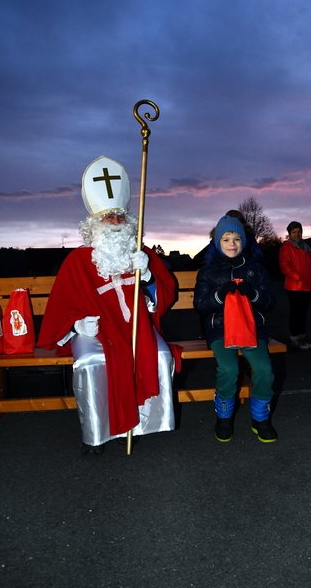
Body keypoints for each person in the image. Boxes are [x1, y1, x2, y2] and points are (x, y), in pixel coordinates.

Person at [38, 156, 177, 454]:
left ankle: (140, 424)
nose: (114, 222)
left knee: (161, 355)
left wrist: (150, 274)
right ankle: (97, 434)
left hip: (135, 327)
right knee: (91, 364)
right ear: (94, 224)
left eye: (119, 216)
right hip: (97, 331)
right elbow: (61, 306)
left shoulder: (141, 252)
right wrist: (77, 327)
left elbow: (164, 293)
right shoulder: (77, 260)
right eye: (107, 217)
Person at [193, 214, 278, 444]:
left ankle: (260, 419)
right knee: (229, 370)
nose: (232, 244)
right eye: (226, 239)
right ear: (217, 242)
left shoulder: (256, 269)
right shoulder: (208, 272)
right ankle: (224, 417)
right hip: (220, 329)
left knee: (263, 369)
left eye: (237, 239)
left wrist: (254, 294)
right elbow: (200, 305)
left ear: (244, 241)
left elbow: (270, 301)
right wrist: (219, 295)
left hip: (252, 329)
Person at [279, 221, 311, 350]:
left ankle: (303, 337)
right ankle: (295, 338)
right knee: (296, 313)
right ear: (289, 234)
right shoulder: (287, 247)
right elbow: (285, 266)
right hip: (294, 287)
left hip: (308, 286)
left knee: (304, 313)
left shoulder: (306, 247)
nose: (297, 234)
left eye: (298, 231)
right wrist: (297, 277)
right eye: (294, 232)